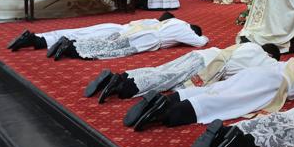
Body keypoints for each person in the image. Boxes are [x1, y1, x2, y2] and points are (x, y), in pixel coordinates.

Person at [132, 55, 294, 132]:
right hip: (270, 85)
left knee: (213, 89)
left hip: (257, 72)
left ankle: (163, 101)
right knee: (223, 102)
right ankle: (164, 116)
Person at [84, 42, 281, 108]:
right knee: (166, 79)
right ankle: (121, 85)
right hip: (208, 66)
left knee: (162, 70)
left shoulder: (250, 44)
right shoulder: (268, 61)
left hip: (205, 53)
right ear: (271, 55)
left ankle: (118, 76)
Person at [50, 16, 207, 61]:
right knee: (114, 50)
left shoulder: (176, 21)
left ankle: (71, 43)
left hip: (141, 31)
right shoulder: (185, 30)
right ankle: (70, 49)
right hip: (149, 39)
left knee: (110, 43)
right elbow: (199, 43)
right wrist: (205, 37)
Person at [8, 12, 173, 53]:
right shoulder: (157, 27)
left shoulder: (150, 21)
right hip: (117, 32)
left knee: (77, 32)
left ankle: (36, 37)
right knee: (78, 35)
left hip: (115, 26)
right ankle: (36, 41)